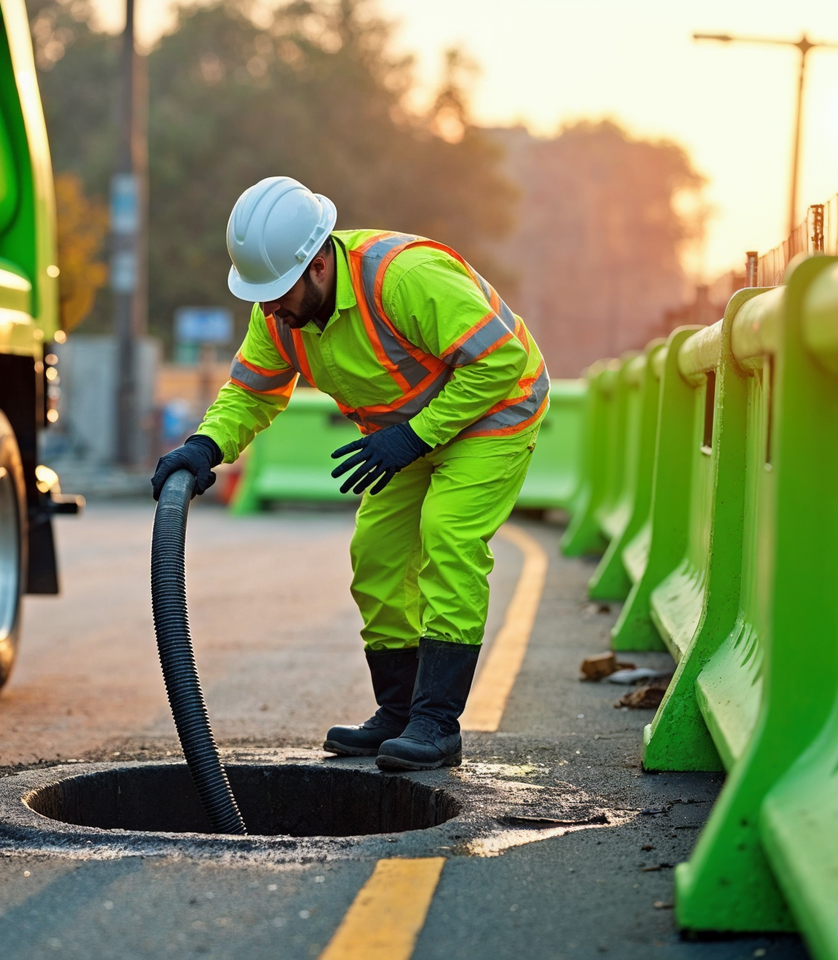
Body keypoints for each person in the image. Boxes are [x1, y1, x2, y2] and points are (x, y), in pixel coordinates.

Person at [151, 176, 549, 770]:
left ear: (316, 265)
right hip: (409, 432)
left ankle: (436, 722)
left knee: (449, 534)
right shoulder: (279, 312)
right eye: (259, 295)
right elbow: (253, 392)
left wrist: (411, 437)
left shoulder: (402, 277)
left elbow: (500, 361)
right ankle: (398, 712)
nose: (268, 308)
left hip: (494, 410)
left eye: (278, 291)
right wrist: (205, 447)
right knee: (377, 553)